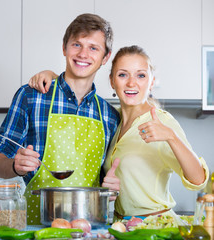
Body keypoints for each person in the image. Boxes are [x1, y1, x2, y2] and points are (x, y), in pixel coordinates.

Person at [29, 45, 209, 221]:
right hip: (120, 226)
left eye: (141, 75)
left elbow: (198, 179)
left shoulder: (162, 123)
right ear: (112, 81)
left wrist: (171, 137)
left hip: (155, 226)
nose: (131, 83)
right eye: (123, 75)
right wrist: (52, 76)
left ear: (151, 81)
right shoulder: (112, 120)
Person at [0, 13, 121, 225]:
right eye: (77, 44)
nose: (83, 54)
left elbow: (106, 181)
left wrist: (111, 188)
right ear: (64, 48)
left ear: (105, 57)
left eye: (93, 48)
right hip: (33, 227)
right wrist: (14, 166)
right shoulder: (31, 96)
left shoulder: (110, 116)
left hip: (89, 228)